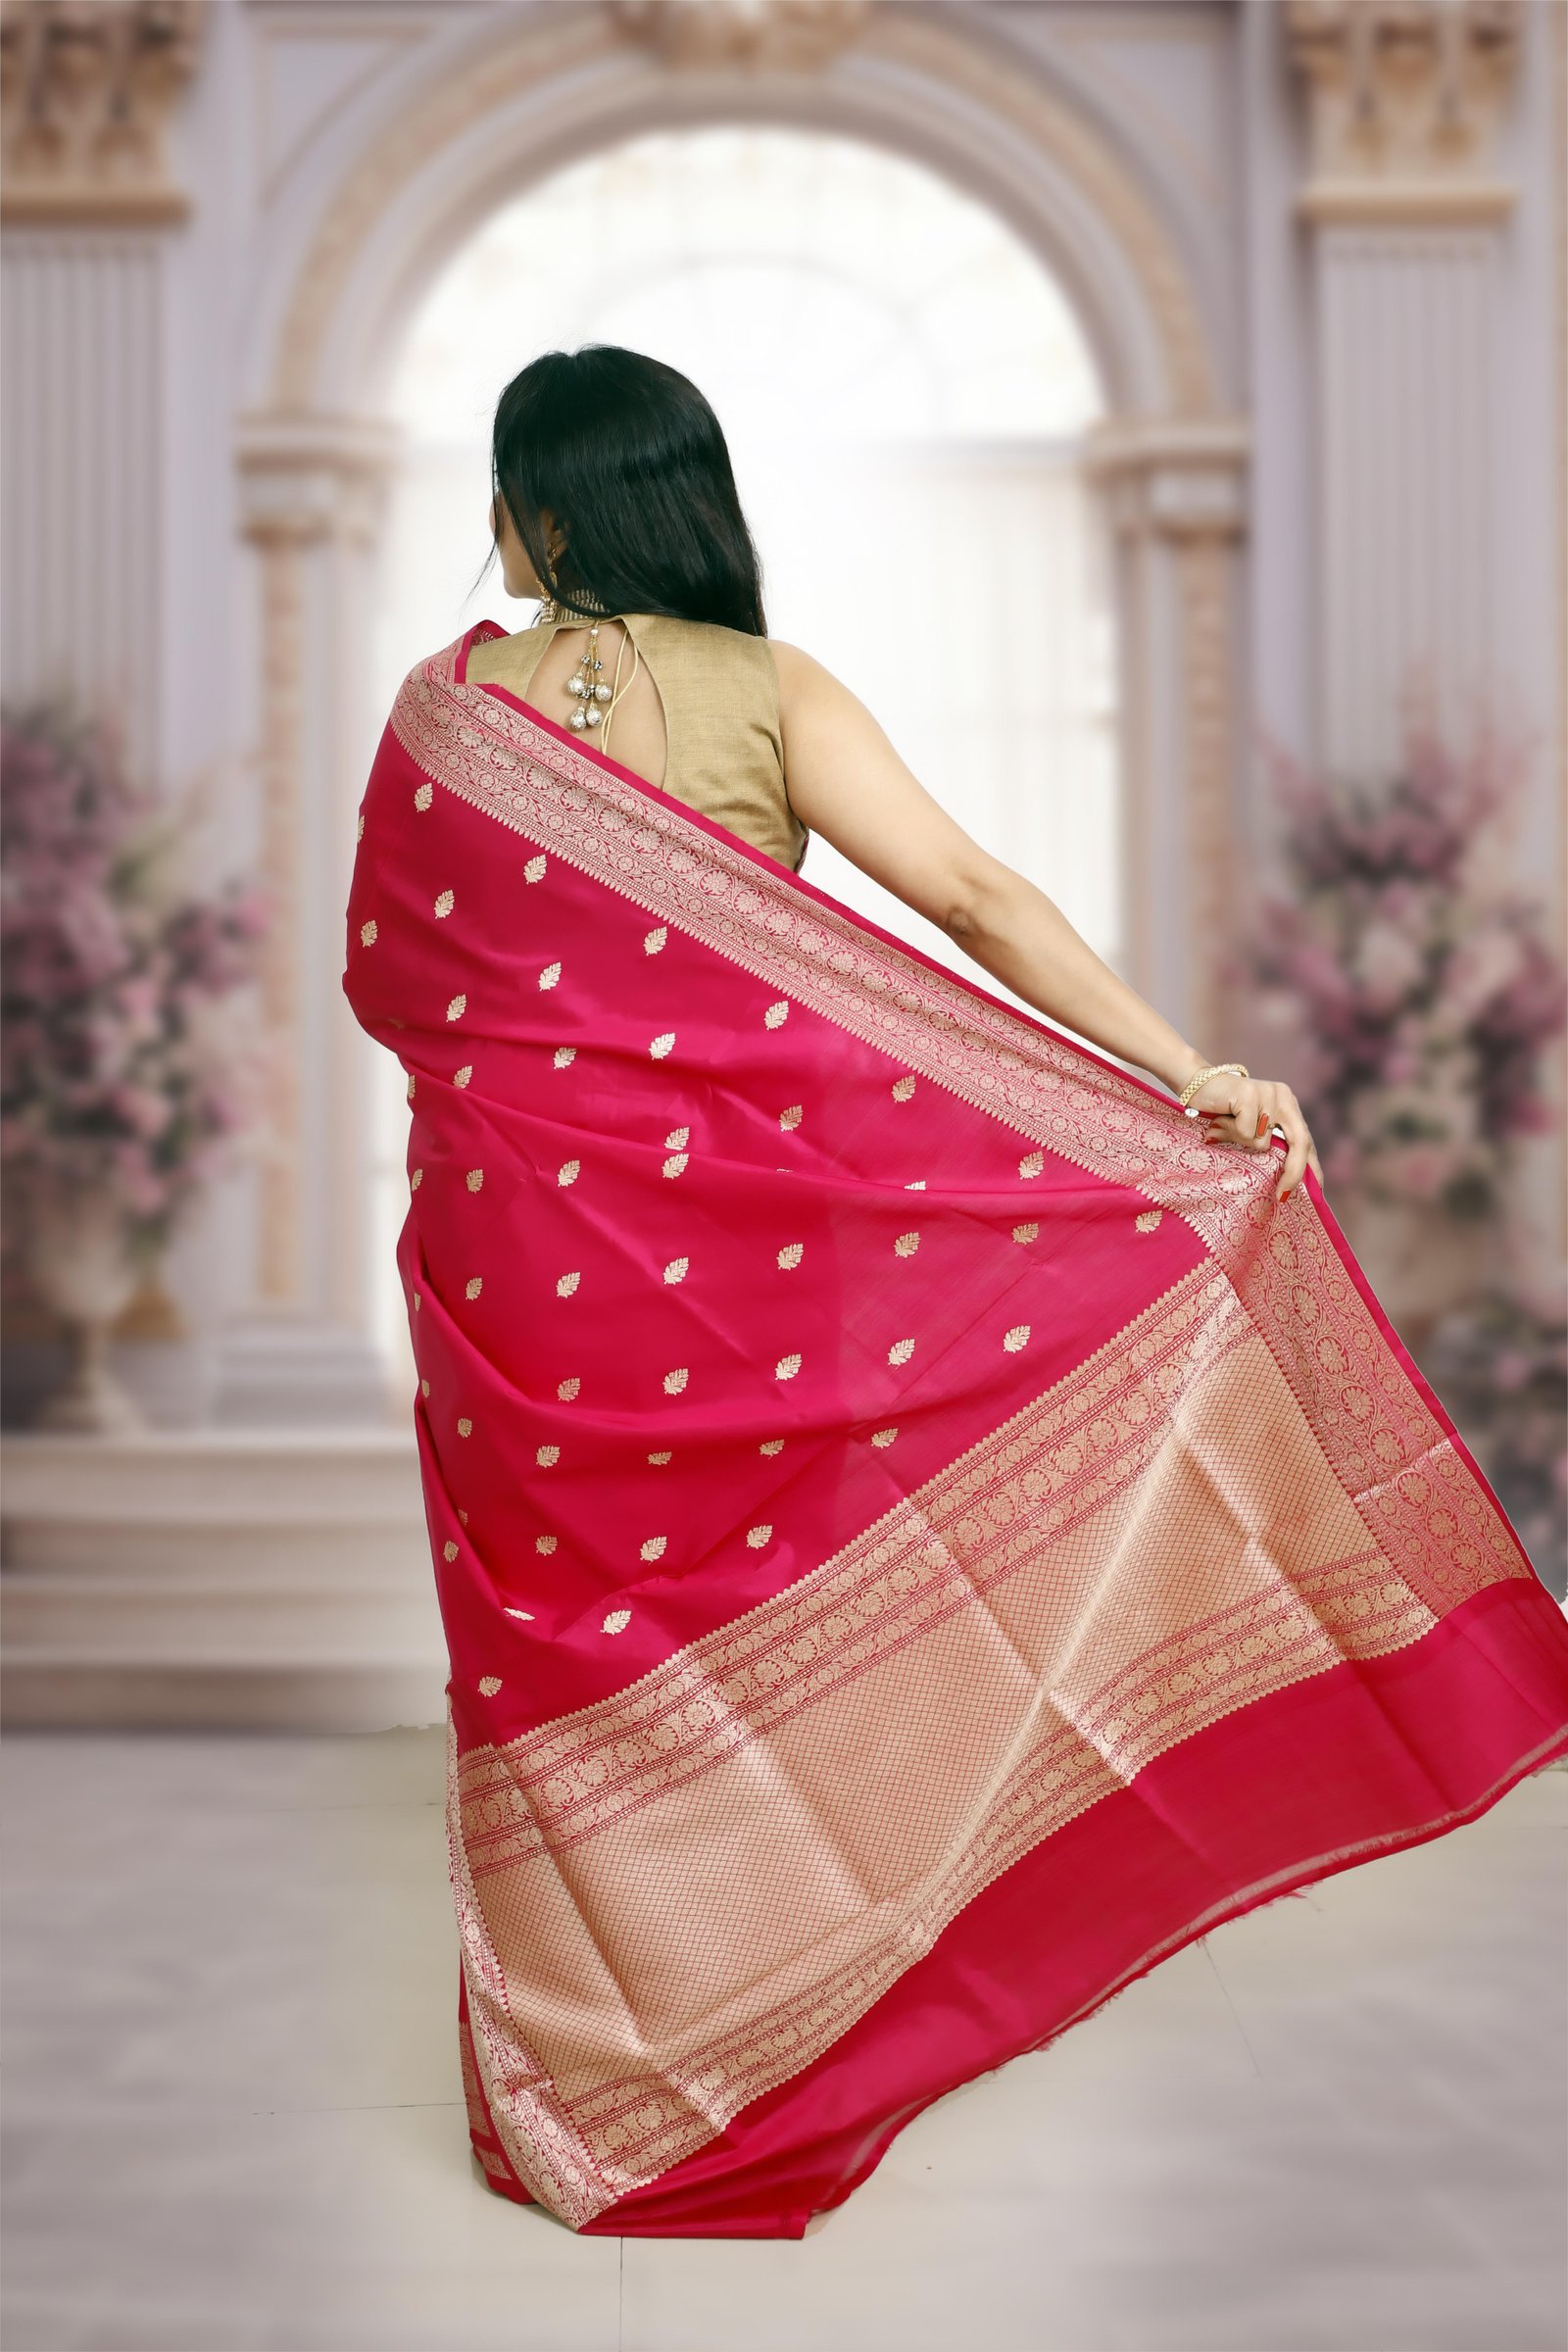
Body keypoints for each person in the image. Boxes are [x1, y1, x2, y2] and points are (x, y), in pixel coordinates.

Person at [342, 345, 1568, 2240]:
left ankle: (600, 2080)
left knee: (572, 1642)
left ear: (542, 513)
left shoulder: (445, 725)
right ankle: (787, 2013)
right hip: (760, 1267)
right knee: (767, 1617)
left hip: (530, 1280)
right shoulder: (769, 691)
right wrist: (1187, 1077)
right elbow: (977, 902)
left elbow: (398, 989)